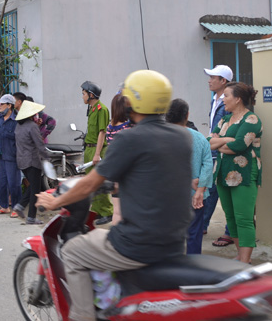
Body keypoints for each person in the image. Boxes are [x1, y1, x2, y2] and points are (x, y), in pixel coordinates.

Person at [37, 70, 192, 321]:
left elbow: (88, 185)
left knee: (72, 252)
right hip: (175, 242)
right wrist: (118, 185)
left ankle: (82, 316)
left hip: (137, 243)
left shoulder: (130, 137)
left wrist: (54, 201)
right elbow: (153, 177)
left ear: (134, 101)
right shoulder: (182, 137)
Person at [209, 82, 262, 264]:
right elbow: (209, 141)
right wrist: (227, 140)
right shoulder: (224, 120)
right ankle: (240, 255)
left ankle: (245, 262)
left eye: (226, 96)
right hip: (223, 173)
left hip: (244, 174)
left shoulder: (251, 120)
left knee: (244, 219)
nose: (223, 99)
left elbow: (239, 146)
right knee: (230, 217)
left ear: (237, 99)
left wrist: (221, 143)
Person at [165, 98, 213, 254]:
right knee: (194, 234)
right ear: (187, 115)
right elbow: (208, 164)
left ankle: (172, 265)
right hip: (195, 197)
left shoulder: (163, 138)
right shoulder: (200, 138)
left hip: (170, 196)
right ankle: (193, 266)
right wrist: (200, 190)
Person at [202, 64, 234, 247]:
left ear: (223, 81)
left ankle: (229, 232)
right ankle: (203, 224)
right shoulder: (214, 99)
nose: (209, 80)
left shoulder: (229, 102)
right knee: (211, 189)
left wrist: (215, 141)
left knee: (224, 190)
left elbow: (223, 131)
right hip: (213, 149)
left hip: (223, 150)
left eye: (213, 77)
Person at [12, 100, 49, 225]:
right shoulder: (32, 126)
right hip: (33, 161)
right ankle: (31, 217)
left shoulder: (19, 126)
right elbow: (40, 145)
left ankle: (20, 206)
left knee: (33, 186)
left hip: (21, 160)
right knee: (35, 190)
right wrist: (47, 159)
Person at [81, 80, 112, 225]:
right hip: (89, 148)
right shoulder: (92, 110)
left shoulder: (102, 109)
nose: (82, 96)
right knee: (91, 182)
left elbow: (102, 133)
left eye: (83, 93)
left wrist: (97, 154)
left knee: (99, 181)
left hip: (97, 149)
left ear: (91, 95)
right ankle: (98, 211)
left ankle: (107, 212)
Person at [104, 94, 132, 225]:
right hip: (127, 173)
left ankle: (116, 239)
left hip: (114, 172)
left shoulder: (110, 127)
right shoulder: (128, 127)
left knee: (117, 211)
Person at [0, 94, 19, 215]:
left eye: (2, 104)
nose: (0, 107)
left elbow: (19, 139)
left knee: (14, 183)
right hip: (0, 154)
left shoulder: (17, 120)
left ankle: (17, 208)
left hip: (12, 155)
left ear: (9, 105)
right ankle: (3, 205)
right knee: (1, 182)